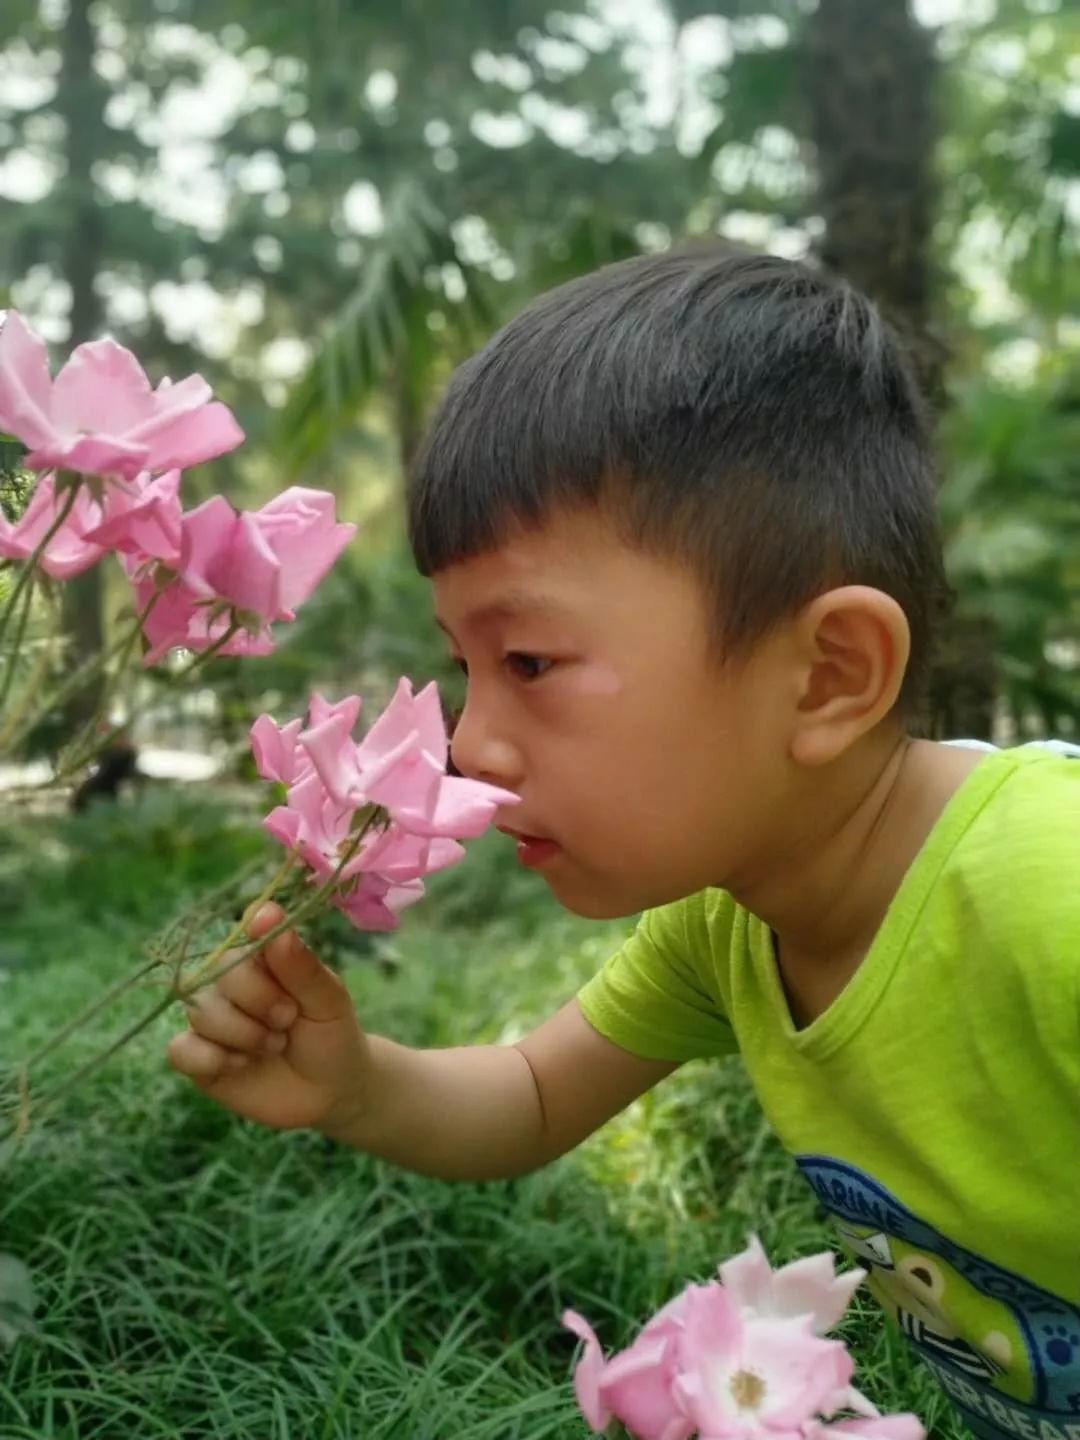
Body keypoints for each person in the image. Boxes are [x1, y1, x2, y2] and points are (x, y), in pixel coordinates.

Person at [167, 246, 1080, 1440]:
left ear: (827, 677)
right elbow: (538, 1093)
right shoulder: (727, 924)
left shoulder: (1047, 891)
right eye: (465, 670)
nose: (470, 745)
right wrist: (358, 1086)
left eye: (530, 662)